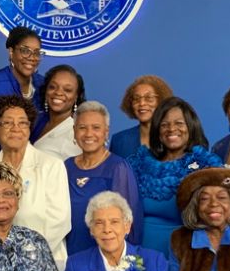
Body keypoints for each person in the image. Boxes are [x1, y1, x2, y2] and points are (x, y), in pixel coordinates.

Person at [0, 95, 72, 271]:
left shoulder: (51, 165)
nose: (16, 128)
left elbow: (60, 221)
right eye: (8, 123)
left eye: (23, 123)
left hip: (43, 262)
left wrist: (27, 255)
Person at [128, 97, 221, 254]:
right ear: (157, 130)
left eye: (179, 123)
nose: (171, 129)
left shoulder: (206, 165)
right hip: (140, 253)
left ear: (191, 126)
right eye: (164, 125)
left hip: (185, 254)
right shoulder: (139, 163)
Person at [64, 102, 142, 256]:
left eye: (96, 128)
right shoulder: (66, 166)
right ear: (74, 131)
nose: (89, 134)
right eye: (82, 127)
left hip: (105, 258)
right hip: (68, 255)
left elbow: (129, 223)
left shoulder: (118, 167)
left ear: (106, 132)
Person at [0, 26, 45, 109]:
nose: (32, 57)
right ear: (11, 52)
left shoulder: (43, 85)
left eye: (37, 53)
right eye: (25, 51)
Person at [109, 75, 172, 159]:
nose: (142, 103)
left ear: (161, 101)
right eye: (136, 98)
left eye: (149, 98)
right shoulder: (119, 141)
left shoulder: (174, 137)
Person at [31, 64, 85, 160]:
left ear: (76, 97)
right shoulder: (36, 121)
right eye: (52, 87)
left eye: (67, 90)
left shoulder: (76, 132)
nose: (58, 92)